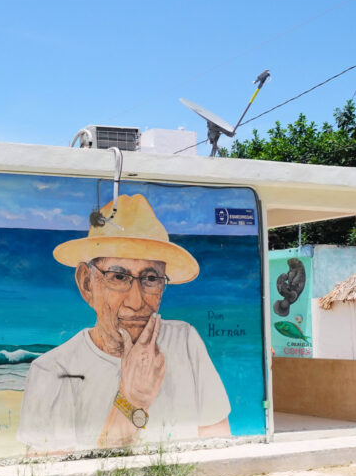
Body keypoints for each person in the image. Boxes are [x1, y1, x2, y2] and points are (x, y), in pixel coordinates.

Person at [18, 194, 231, 454]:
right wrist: (132, 401)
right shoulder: (52, 371)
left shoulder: (184, 341)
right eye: (118, 277)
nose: (136, 301)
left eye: (151, 278)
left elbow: (218, 445)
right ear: (87, 284)